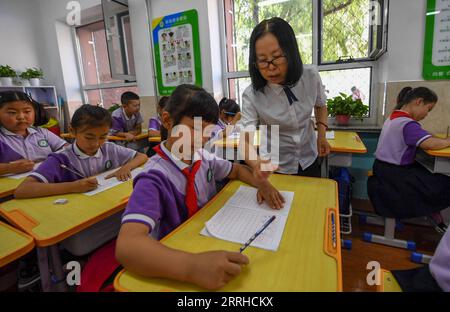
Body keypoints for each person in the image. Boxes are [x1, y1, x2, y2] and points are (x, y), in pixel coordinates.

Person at [116, 84, 284, 290]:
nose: (202, 137)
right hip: (173, 260)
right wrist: (192, 267)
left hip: (208, 239)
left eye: (209, 130)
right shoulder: (153, 178)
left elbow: (238, 170)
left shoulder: (203, 157)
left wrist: (262, 183)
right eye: (195, 128)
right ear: (168, 121)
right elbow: (127, 247)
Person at [239, 17, 330, 178]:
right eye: (262, 61)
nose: (271, 68)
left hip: (308, 157)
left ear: (291, 52)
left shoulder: (310, 76)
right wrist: (257, 163)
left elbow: (320, 105)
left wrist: (321, 135)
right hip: (275, 165)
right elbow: (245, 142)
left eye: (277, 57)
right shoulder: (252, 95)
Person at [14, 105, 147, 198]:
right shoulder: (60, 159)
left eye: (102, 137)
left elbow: (142, 156)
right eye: (89, 137)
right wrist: (73, 187)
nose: (96, 143)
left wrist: (126, 168)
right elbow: (22, 190)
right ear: (72, 131)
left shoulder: (108, 148)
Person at [368, 87, 450, 232]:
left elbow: (424, 135)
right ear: (419, 102)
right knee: (443, 183)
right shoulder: (407, 124)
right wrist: (448, 141)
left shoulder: (394, 117)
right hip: (394, 177)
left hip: (383, 170)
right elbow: (428, 143)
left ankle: (432, 212)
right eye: (428, 109)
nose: (427, 114)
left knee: (430, 178)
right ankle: (439, 219)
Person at [0, 91, 67, 176]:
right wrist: (9, 168)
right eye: (12, 113)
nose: (21, 117)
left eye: (27, 111)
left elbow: (65, 148)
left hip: (46, 176)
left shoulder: (41, 132)